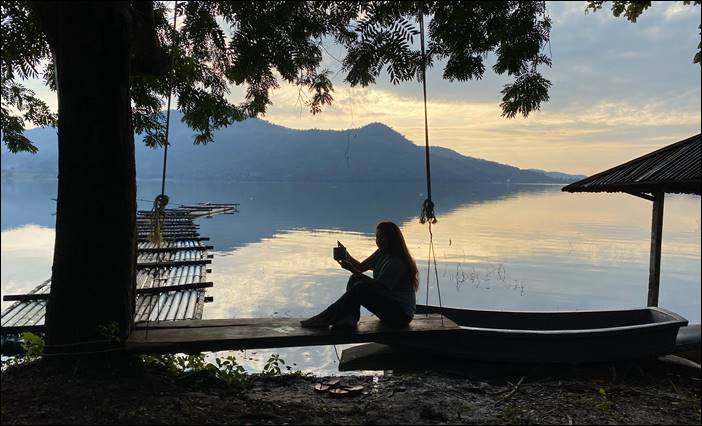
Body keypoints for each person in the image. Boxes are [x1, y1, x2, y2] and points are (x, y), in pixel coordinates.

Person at [300, 221, 418, 329]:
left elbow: (380, 287)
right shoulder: (381, 253)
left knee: (360, 287)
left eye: (382, 237)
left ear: (392, 239)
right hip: (389, 307)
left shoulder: (396, 262)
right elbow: (361, 268)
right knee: (355, 279)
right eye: (377, 237)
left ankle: (323, 318)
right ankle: (349, 318)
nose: (378, 240)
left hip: (401, 316)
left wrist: (352, 269)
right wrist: (347, 256)